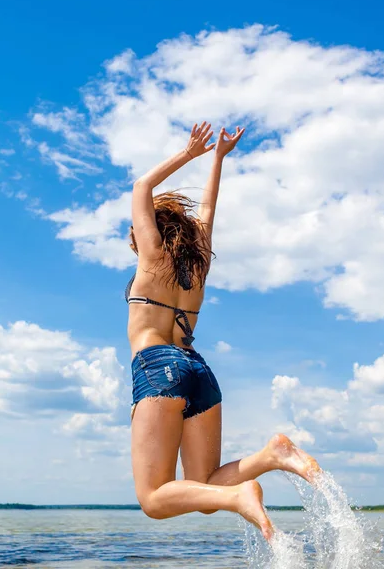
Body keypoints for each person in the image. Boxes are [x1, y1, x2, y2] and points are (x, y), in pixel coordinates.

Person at [126, 121, 320, 541]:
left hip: (159, 366)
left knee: (153, 499)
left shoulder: (151, 259)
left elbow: (142, 186)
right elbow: (208, 212)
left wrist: (189, 154)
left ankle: (240, 497)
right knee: (206, 483)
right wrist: (217, 159)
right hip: (199, 370)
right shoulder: (198, 268)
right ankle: (273, 455)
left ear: (148, 233)